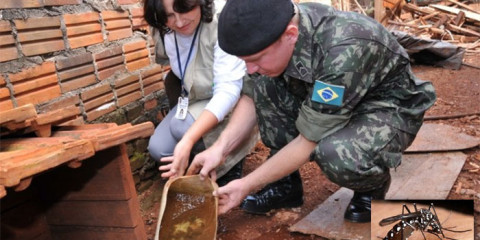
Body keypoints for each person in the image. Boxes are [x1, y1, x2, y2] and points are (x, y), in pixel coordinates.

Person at [186, 0, 436, 222]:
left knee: (336, 155)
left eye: (256, 58)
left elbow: (308, 141)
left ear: (291, 34)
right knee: (263, 82)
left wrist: (247, 184)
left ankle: (370, 187)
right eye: (244, 61)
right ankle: (285, 186)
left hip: (383, 104)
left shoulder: (344, 48)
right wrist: (220, 149)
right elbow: (251, 97)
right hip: (328, 93)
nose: (249, 69)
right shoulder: (273, 35)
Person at [143, 0, 257, 186]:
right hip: (196, 95)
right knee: (159, 149)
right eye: (169, 16)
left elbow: (228, 89)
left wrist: (188, 140)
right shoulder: (162, 28)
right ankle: (194, 164)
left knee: (182, 128)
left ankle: (228, 164)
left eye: (184, 10)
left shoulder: (222, 22)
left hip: (233, 95)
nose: (179, 23)